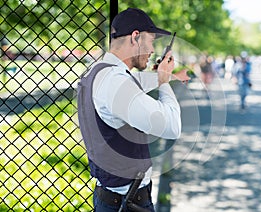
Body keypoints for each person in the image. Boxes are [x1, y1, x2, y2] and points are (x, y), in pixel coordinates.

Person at [77, 8, 190, 212]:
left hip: (112, 199)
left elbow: (133, 83)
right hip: (128, 204)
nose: (153, 49)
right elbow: (172, 126)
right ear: (135, 37)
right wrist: (164, 82)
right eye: (151, 40)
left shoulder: (100, 72)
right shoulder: (115, 83)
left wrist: (168, 76)